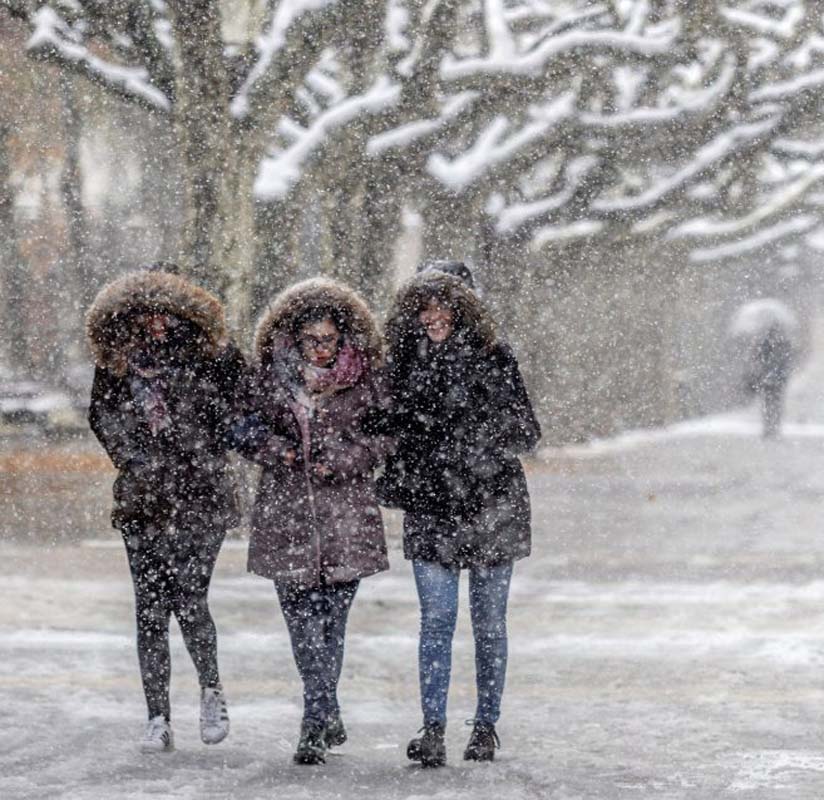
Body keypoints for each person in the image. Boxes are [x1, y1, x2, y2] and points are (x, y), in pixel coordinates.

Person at [375, 268, 540, 768]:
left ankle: (486, 726)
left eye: (442, 305)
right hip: (431, 507)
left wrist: (474, 439)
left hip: (492, 505)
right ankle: (432, 729)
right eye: (423, 307)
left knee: (489, 624)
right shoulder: (401, 361)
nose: (433, 317)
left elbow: (526, 430)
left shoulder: (494, 357)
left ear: (464, 308)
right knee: (437, 621)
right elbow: (384, 425)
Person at [85, 266, 243, 752]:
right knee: (149, 610)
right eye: (147, 311)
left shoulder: (214, 357)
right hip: (143, 501)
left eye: (167, 310)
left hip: (202, 498)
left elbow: (238, 411)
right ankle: (158, 716)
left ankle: (211, 689)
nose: (156, 321)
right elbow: (102, 414)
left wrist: (199, 448)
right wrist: (134, 457)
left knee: (190, 598)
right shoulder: (117, 361)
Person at [238, 278, 389, 765]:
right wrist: (278, 450)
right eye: (310, 340)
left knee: (332, 626)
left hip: (346, 518)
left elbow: (389, 436)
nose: (319, 349)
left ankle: (319, 711)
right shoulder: (269, 378)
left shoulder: (366, 378)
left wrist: (347, 458)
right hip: (286, 518)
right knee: (302, 626)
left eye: (327, 339)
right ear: (293, 338)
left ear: (343, 338)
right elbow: (242, 428)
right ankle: (319, 712)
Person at [744, 321, 795, 438]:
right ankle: (775, 427)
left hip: (767, 378)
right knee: (776, 403)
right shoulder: (784, 343)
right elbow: (788, 361)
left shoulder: (764, 343)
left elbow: (757, 359)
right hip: (779, 379)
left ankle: (768, 427)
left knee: (767, 403)